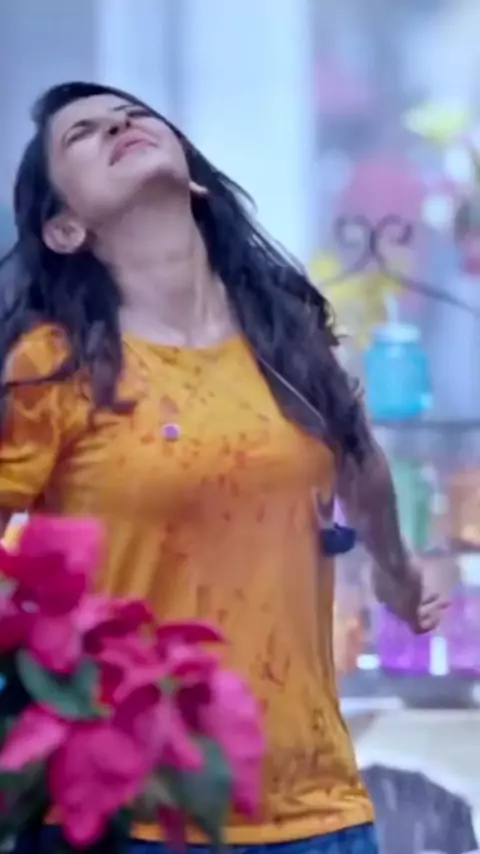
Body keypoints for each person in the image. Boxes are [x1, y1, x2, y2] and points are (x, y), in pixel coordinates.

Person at [0, 82, 447, 854]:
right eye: (82, 134)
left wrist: (396, 573)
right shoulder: (54, 366)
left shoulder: (287, 333)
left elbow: (358, 461)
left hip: (318, 807)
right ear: (65, 229)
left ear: (195, 179)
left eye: (133, 115)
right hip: (134, 815)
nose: (120, 123)